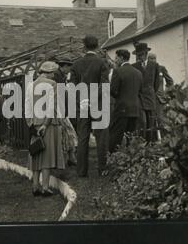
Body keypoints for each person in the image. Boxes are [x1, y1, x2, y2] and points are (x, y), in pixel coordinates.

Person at [69, 35, 110, 177]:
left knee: (83, 138)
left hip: (82, 105)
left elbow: (72, 87)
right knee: (101, 139)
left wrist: (83, 99)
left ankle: (81, 171)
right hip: (98, 104)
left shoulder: (76, 65)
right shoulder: (102, 63)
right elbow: (104, 86)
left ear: (84, 47)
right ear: (97, 46)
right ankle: (102, 169)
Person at [25, 61, 65, 196]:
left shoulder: (31, 85)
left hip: (34, 122)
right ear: (48, 73)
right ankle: (45, 187)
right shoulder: (51, 84)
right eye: (53, 73)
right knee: (47, 156)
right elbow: (51, 106)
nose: (54, 76)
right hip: (47, 123)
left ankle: (35, 186)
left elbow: (27, 106)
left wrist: (30, 123)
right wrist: (45, 124)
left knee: (36, 153)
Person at [109, 49, 143, 152]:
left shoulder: (118, 71)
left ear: (121, 58)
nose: (115, 60)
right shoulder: (138, 73)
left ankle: (112, 159)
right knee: (131, 138)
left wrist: (119, 96)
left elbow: (113, 90)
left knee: (115, 137)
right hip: (135, 109)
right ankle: (130, 160)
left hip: (122, 109)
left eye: (116, 58)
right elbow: (140, 90)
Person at [132, 42, 160, 143]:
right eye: (138, 55)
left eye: (142, 55)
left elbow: (157, 83)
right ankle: (142, 144)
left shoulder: (154, 65)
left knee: (151, 122)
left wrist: (151, 91)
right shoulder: (134, 66)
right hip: (139, 99)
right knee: (142, 122)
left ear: (146, 54)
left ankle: (151, 144)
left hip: (150, 97)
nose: (140, 57)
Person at [54, 57, 78, 166]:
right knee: (68, 133)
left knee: (68, 134)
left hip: (62, 109)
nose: (69, 69)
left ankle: (70, 157)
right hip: (59, 110)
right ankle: (67, 158)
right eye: (69, 67)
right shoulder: (57, 76)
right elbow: (59, 94)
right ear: (64, 66)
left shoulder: (61, 76)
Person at [147, 53, 174, 135]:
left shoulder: (161, 68)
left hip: (160, 99)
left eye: (154, 58)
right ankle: (152, 141)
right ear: (148, 60)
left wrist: (166, 93)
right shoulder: (145, 69)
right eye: (151, 58)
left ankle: (164, 140)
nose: (153, 60)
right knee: (150, 121)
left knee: (161, 120)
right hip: (149, 99)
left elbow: (170, 82)